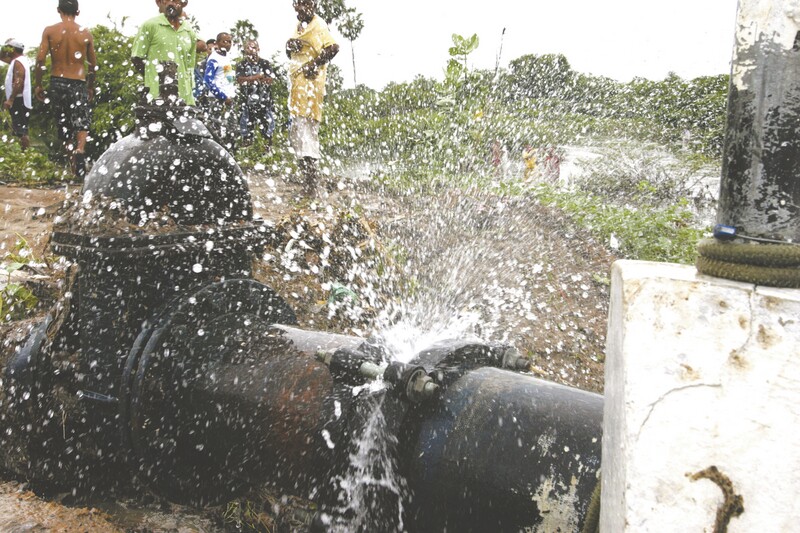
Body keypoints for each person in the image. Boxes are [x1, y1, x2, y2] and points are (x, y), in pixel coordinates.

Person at [34, 0, 96, 178]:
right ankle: (80, 149)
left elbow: (40, 60)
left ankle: (72, 165)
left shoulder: (50, 31)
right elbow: (93, 65)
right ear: (78, 12)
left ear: (58, 10)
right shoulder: (85, 33)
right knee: (81, 121)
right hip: (78, 81)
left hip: (57, 81)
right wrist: (90, 86)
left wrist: (38, 84)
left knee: (64, 124)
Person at [286, 0, 339, 197]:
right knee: (298, 135)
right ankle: (309, 184)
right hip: (298, 89)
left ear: (314, 5)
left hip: (310, 89)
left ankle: (311, 187)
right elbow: (292, 54)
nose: (301, 8)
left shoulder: (318, 24)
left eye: (306, 4)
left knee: (307, 134)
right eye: (298, 4)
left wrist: (313, 64)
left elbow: (333, 48)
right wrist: (289, 45)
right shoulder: (299, 27)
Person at [131, 0, 197, 105]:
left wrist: (190, 96)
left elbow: (189, 67)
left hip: (184, 98)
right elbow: (136, 58)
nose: (170, 3)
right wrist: (153, 78)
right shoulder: (150, 25)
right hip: (156, 96)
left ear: (184, 3)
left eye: (175, 0)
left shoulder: (189, 32)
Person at [236, 39, 275, 149]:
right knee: (247, 126)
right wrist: (257, 77)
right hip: (247, 101)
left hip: (264, 100)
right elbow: (239, 80)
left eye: (253, 47)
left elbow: (269, 80)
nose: (251, 50)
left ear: (258, 49)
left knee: (266, 126)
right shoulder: (241, 64)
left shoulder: (265, 63)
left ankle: (267, 149)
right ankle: (247, 150)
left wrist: (249, 80)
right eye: (248, 47)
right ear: (245, 50)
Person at [203, 32, 237, 151]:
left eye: (229, 42)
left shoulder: (226, 57)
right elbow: (208, 80)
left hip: (229, 98)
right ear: (217, 43)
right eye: (224, 41)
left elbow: (227, 78)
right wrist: (222, 96)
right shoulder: (214, 58)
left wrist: (232, 93)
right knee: (216, 126)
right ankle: (215, 152)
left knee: (231, 127)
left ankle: (230, 152)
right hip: (217, 99)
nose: (227, 44)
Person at [1, 39, 32, 151]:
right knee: (19, 129)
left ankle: (25, 153)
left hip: (19, 99)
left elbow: (19, 81)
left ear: (12, 49)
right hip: (20, 99)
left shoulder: (18, 62)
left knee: (21, 130)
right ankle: (23, 152)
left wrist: (11, 99)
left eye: (8, 48)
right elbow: (2, 57)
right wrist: (4, 48)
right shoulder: (19, 60)